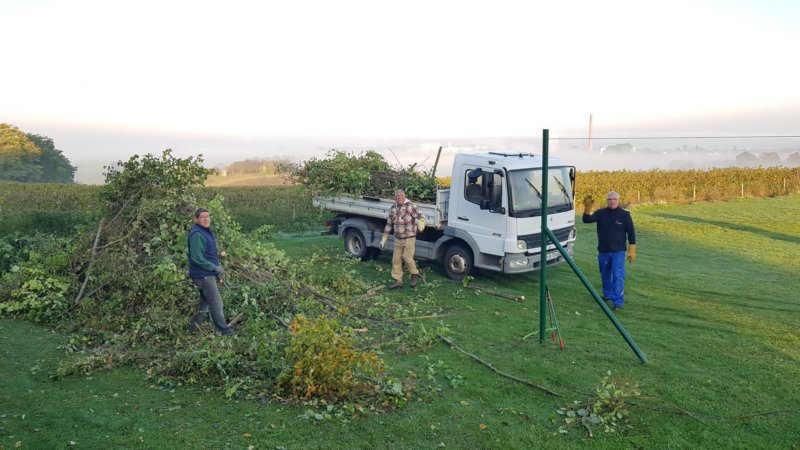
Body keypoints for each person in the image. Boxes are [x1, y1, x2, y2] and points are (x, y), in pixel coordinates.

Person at [582, 191, 636, 311]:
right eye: (610, 199)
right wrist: (587, 208)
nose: (612, 201)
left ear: (618, 200)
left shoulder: (625, 215)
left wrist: (632, 249)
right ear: (607, 200)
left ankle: (618, 301)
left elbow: (631, 232)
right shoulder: (601, 213)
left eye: (614, 199)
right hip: (603, 251)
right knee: (605, 274)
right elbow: (587, 220)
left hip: (618, 252)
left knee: (618, 276)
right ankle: (607, 295)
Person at [187, 208, 233, 335]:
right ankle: (225, 332)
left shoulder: (205, 232)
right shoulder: (197, 234)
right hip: (203, 275)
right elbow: (196, 258)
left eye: (208, 216)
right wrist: (214, 267)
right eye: (202, 217)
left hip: (205, 273)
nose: (206, 219)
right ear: (196, 219)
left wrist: (216, 259)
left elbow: (205, 253)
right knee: (216, 303)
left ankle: (191, 330)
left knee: (204, 304)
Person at [380, 189, 427, 289]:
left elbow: (421, 216)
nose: (399, 198)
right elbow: (389, 225)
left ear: (404, 196)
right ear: (395, 198)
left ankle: (414, 275)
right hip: (398, 238)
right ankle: (398, 281)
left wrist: (421, 223)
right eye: (397, 197)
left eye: (401, 196)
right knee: (395, 259)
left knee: (407, 257)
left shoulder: (410, 206)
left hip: (409, 237)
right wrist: (384, 239)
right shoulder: (393, 209)